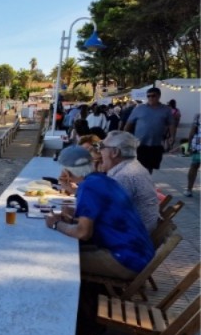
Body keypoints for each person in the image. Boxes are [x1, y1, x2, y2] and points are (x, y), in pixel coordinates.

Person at [45, 146, 155, 279]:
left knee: (56, 260)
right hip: (141, 254)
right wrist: (73, 216)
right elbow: (99, 214)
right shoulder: (103, 180)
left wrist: (55, 224)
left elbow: (83, 233)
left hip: (126, 261)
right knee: (68, 249)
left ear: (67, 172)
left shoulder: (88, 187)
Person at [97, 131, 160, 232]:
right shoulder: (131, 166)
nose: (99, 151)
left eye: (102, 146)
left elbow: (109, 213)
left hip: (131, 234)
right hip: (137, 229)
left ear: (115, 152)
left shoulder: (124, 176)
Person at [124, 87, 172, 173]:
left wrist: (172, 136)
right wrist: (124, 137)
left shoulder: (166, 110)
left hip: (155, 144)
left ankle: (146, 180)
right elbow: (129, 123)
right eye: (148, 96)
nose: (150, 98)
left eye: (153, 96)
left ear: (159, 96)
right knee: (138, 166)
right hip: (140, 144)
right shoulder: (139, 108)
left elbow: (172, 124)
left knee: (150, 167)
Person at [186, 112, 200, 197]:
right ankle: (189, 189)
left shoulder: (198, 116)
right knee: (194, 166)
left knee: (194, 166)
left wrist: (189, 145)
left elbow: (192, 132)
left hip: (198, 147)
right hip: (198, 146)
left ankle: (189, 189)